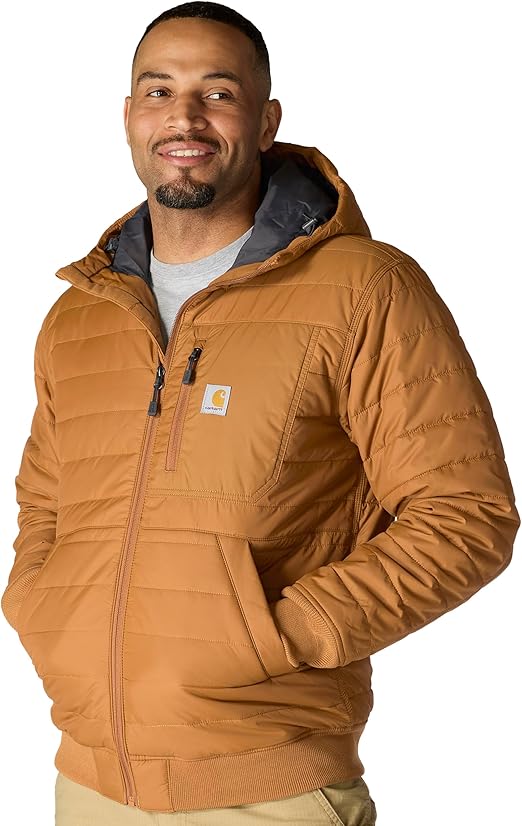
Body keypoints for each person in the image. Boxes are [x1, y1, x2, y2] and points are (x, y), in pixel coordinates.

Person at [2, 2, 519, 823]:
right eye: (159, 91)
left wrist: (284, 634)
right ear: (129, 117)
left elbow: (466, 514)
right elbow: (45, 505)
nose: (184, 116)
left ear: (266, 120)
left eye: (218, 92)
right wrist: (39, 608)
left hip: (271, 792)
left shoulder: (363, 289)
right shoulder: (81, 315)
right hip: (89, 785)